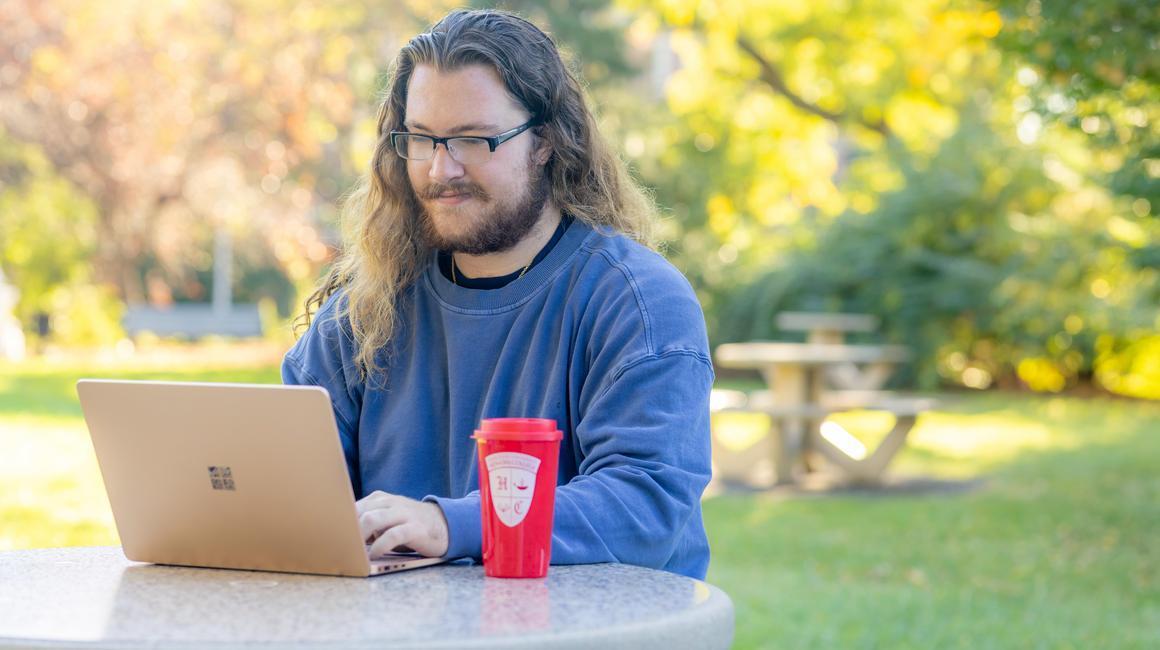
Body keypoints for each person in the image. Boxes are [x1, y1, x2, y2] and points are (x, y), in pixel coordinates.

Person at [283, 9, 714, 579]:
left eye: (472, 139)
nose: (441, 169)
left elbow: (643, 505)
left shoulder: (637, 302)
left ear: (546, 142)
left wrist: (450, 525)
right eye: (422, 138)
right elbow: (292, 490)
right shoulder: (364, 310)